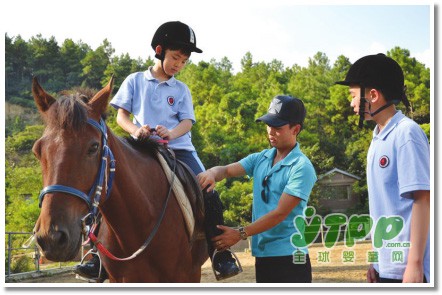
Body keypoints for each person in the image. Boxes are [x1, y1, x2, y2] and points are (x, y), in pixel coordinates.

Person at [74, 21, 240, 281]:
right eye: (175, 57)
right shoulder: (135, 80)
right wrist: (134, 130)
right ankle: (96, 254)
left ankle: (220, 253)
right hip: (140, 146)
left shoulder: (181, 90)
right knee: (108, 185)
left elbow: (187, 122)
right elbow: (121, 116)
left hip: (179, 149)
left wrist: (171, 133)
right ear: (160, 50)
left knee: (208, 188)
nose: (178, 65)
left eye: (184, 61)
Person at [197, 95, 317, 283]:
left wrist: (240, 233)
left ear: (296, 129)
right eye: (269, 125)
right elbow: (227, 170)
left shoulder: (301, 167)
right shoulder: (261, 158)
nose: (271, 131)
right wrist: (212, 173)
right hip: (263, 256)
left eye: (278, 127)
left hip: (290, 257)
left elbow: (279, 213)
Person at [335, 53, 430, 283]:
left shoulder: (406, 133)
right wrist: (376, 260)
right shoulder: (378, 137)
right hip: (387, 266)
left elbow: (423, 199)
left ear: (373, 95)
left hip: (409, 270)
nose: (351, 103)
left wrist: (415, 265)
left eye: (353, 95)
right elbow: (384, 206)